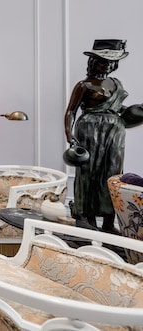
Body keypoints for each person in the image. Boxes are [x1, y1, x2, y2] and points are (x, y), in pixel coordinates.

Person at [64, 39, 143, 231]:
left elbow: (117, 109)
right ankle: (86, 218)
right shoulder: (84, 85)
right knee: (88, 173)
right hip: (89, 130)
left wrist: (136, 112)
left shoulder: (116, 83)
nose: (106, 65)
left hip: (114, 131)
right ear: (93, 61)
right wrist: (69, 135)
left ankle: (109, 222)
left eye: (110, 62)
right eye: (102, 61)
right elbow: (71, 111)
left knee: (113, 173)